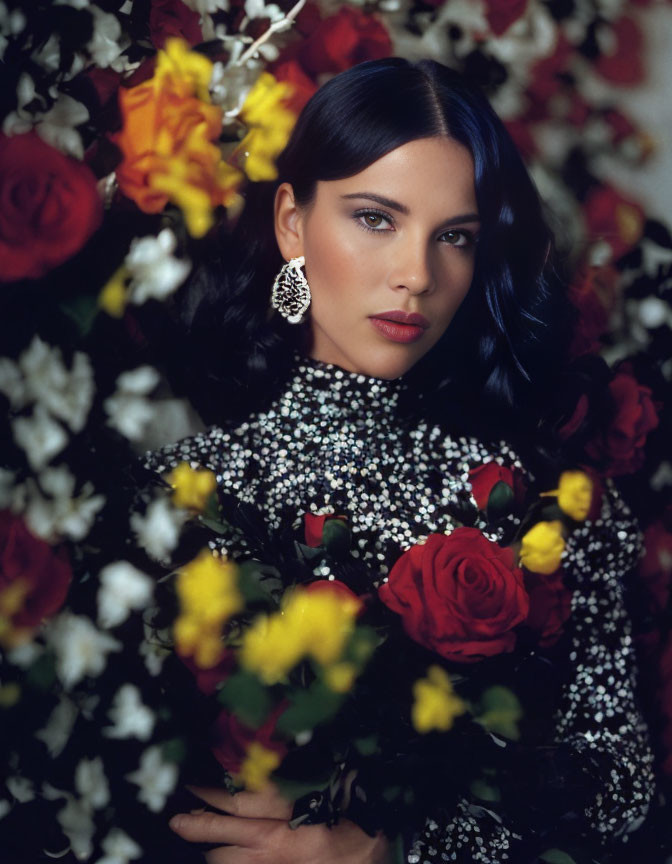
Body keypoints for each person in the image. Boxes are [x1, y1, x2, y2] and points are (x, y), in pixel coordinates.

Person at [142, 56, 656, 864]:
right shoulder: (175, 498)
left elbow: (620, 788)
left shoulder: (544, 504)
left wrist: (399, 847)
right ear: (291, 224)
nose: (417, 275)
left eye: (454, 237)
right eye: (376, 218)